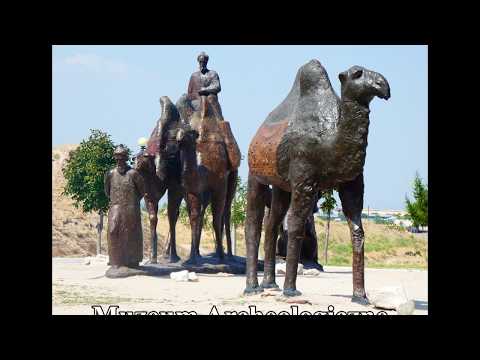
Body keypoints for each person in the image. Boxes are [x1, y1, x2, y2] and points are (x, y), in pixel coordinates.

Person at [104, 145, 148, 272]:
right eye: (117, 157)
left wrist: (133, 202)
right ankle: (116, 261)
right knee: (113, 231)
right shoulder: (110, 173)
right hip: (115, 206)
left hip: (131, 207)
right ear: (114, 157)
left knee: (131, 234)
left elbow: (142, 191)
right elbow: (107, 191)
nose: (119, 160)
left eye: (122, 157)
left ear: (126, 157)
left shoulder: (133, 173)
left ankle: (132, 261)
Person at [186, 51, 224, 120]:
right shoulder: (194, 76)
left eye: (204, 62)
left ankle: (219, 121)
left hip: (210, 100)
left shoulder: (212, 73)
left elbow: (217, 86)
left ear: (206, 62)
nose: (202, 64)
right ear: (198, 62)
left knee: (209, 98)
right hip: (197, 102)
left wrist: (205, 90)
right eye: (200, 62)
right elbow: (189, 93)